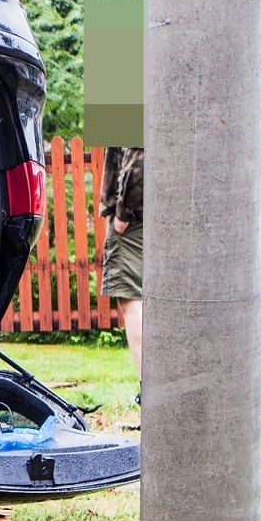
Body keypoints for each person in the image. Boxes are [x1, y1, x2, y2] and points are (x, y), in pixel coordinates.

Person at [99, 146, 144, 397]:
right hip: (145, 212)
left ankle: (146, 385)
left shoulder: (130, 104)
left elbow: (138, 157)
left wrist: (123, 211)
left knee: (132, 299)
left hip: (133, 219)